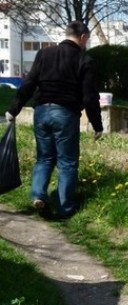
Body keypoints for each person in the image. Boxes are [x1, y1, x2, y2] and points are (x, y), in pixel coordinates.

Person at [5, 21, 103, 220]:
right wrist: (97, 124)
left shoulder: (44, 54)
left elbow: (29, 83)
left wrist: (13, 110)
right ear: (83, 37)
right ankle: (64, 208)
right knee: (67, 162)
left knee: (44, 158)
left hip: (41, 111)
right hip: (66, 114)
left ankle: (38, 195)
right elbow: (89, 96)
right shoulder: (84, 60)